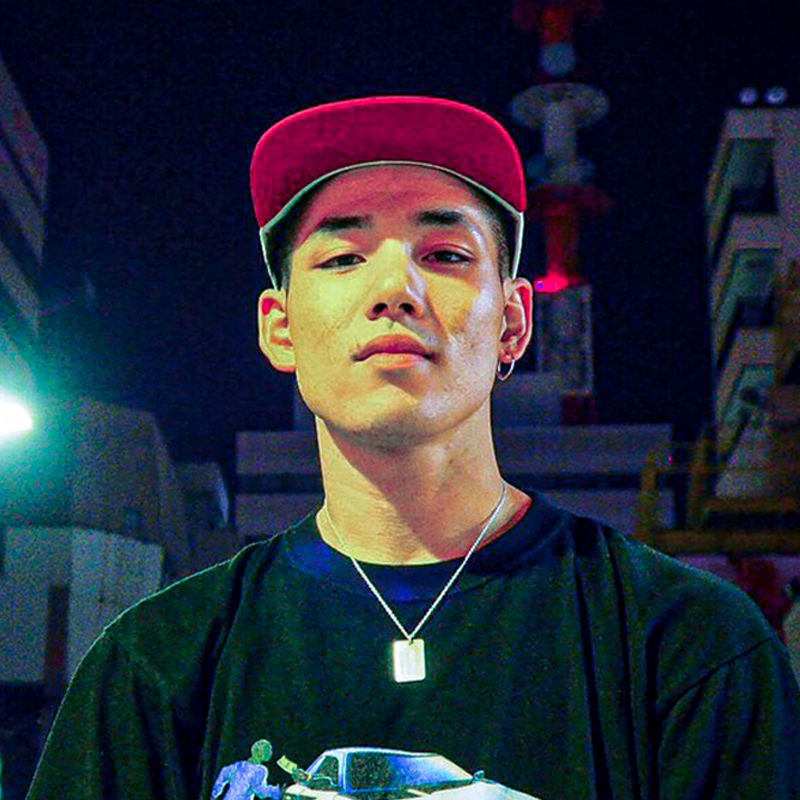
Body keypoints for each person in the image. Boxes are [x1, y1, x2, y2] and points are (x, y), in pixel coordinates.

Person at [26, 96, 800, 800]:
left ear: (513, 323)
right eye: (342, 257)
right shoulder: (156, 668)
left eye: (446, 255)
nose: (395, 288)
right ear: (280, 327)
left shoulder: (688, 646)